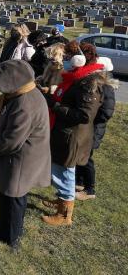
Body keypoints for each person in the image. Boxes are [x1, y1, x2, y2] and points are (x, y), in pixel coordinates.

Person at [0, 60, 51, 250]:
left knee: (13, 196)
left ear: (13, 81)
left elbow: (11, 141)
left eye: (0, 81)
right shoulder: (26, 92)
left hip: (22, 159)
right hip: (23, 157)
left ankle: (10, 237)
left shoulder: (24, 104)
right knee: (13, 195)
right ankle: (8, 227)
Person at [42, 42, 105, 226]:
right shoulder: (76, 78)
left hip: (73, 136)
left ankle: (64, 214)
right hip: (64, 133)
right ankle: (62, 201)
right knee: (61, 168)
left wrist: (54, 105)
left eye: (70, 56)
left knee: (66, 172)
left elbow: (84, 115)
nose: (67, 60)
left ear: (81, 59)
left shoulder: (90, 83)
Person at [75, 55, 117, 201]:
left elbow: (106, 112)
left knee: (87, 158)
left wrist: (92, 120)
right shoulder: (96, 85)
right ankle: (79, 182)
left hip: (94, 129)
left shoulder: (107, 88)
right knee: (80, 155)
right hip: (88, 127)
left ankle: (90, 189)